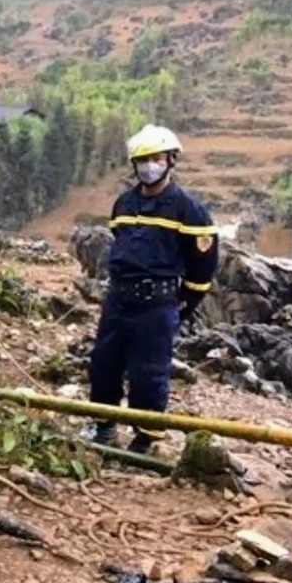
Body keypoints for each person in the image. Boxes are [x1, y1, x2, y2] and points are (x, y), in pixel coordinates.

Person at [87, 124, 219, 455]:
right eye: (142, 160)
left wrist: (182, 307)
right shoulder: (124, 205)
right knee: (104, 365)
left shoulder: (189, 210)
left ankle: (145, 440)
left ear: (171, 160)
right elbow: (119, 243)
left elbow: (203, 266)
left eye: (156, 158)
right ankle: (103, 428)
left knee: (148, 374)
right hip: (118, 300)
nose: (149, 166)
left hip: (156, 305)